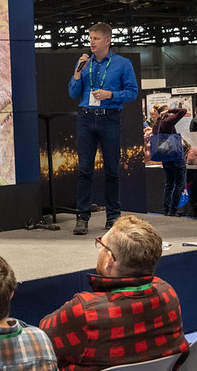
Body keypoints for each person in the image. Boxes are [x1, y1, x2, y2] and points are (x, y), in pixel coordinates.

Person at [39, 216, 189, 371]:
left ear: (109, 259)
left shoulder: (85, 311)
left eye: (102, 244)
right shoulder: (168, 293)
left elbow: (41, 339)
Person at [68, 23, 139, 235]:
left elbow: (132, 93)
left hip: (110, 118)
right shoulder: (84, 63)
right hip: (86, 118)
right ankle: (82, 217)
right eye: (90, 38)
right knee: (84, 170)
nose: (91, 42)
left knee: (111, 169)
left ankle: (113, 216)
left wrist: (110, 95)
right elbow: (73, 93)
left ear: (107, 40)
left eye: (96, 38)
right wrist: (77, 73)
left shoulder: (122, 64)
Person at [152, 104, 187, 216]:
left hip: (165, 157)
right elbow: (182, 111)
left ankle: (166, 210)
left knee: (169, 184)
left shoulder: (157, 124)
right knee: (180, 184)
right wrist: (170, 111)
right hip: (175, 155)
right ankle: (173, 210)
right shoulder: (167, 121)